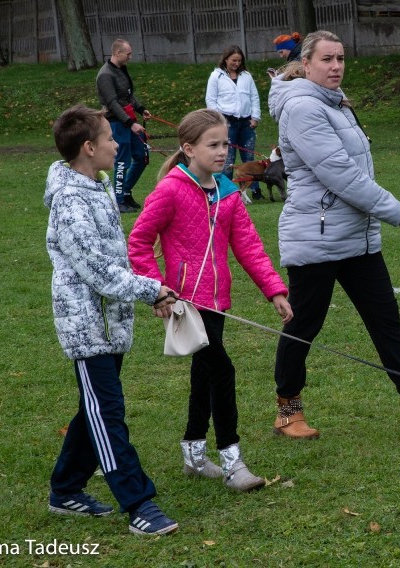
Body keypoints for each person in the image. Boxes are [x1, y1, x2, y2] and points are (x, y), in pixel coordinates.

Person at [267, 31, 400, 440]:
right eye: (326, 59)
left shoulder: (335, 103)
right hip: (317, 238)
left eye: (340, 58)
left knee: (385, 320)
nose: (336, 66)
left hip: (356, 236)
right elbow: (338, 172)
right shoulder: (304, 106)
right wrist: (393, 210)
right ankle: (288, 411)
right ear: (306, 65)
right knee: (305, 323)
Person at [128, 108, 293, 491]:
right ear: (188, 148)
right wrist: (158, 290)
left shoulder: (228, 192)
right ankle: (233, 461)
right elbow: (138, 242)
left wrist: (275, 291)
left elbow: (248, 246)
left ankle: (194, 455)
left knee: (204, 377)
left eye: (225, 145)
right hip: (185, 305)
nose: (222, 153)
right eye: (213, 145)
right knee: (222, 371)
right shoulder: (170, 189)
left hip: (216, 303)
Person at [44, 104, 179, 536]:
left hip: (110, 323)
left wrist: (149, 290)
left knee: (95, 411)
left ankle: (65, 489)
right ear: (88, 148)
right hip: (87, 327)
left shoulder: (95, 186)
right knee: (109, 415)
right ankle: (138, 502)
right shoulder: (69, 201)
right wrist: (149, 289)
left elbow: (112, 260)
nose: (116, 144)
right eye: (108, 138)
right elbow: (96, 271)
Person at [96, 38, 151, 213]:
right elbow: (112, 103)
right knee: (122, 162)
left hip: (129, 121)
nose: (130, 57)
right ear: (117, 53)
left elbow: (127, 96)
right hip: (117, 124)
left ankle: (125, 192)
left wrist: (141, 109)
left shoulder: (121, 69)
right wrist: (131, 123)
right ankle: (117, 201)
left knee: (142, 156)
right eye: (128, 54)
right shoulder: (105, 75)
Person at [205, 46, 263, 200]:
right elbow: (210, 100)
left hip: (246, 122)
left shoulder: (246, 76)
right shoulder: (216, 76)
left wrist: (255, 117)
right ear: (226, 59)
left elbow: (254, 97)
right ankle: (226, 191)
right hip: (226, 122)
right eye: (233, 60)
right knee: (227, 158)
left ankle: (255, 190)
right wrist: (219, 119)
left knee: (249, 158)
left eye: (239, 61)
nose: (236, 63)